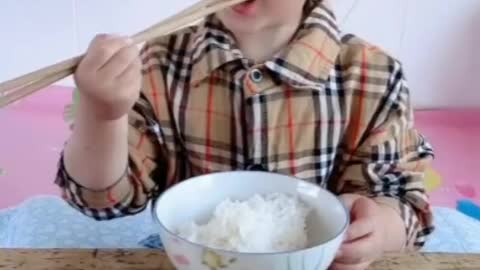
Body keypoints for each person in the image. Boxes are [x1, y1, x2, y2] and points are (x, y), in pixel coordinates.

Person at [55, 0, 434, 269]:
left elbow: (403, 201)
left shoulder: (373, 76)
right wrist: (102, 116)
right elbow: (103, 202)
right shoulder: (157, 63)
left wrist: (378, 230)